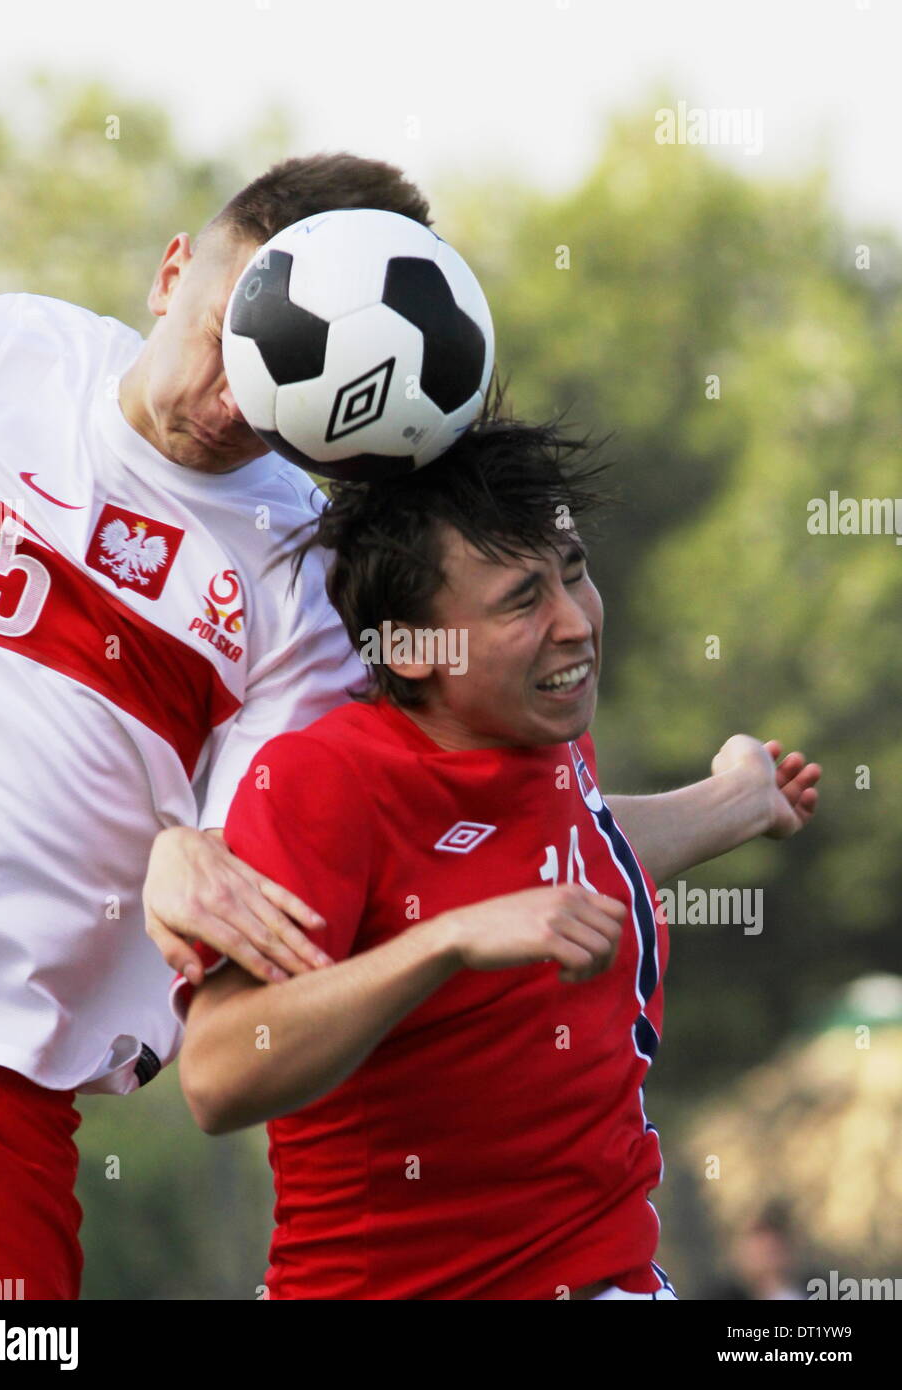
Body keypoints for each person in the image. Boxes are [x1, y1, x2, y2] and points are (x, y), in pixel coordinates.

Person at [0, 152, 437, 1299]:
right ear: (171, 275)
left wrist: (181, 862)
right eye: (228, 341)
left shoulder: (304, 584)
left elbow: (247, 869)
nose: (229, 404)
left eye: (281, 392)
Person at [173, 406, 822, 1300]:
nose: (574, 623)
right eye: (522, 600)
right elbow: (217, 1073)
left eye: (574, 574)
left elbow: (574, 847)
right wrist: (446, 940)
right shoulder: (324, 781)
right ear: (411, 649)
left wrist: (733, 802)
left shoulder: (543, 738)